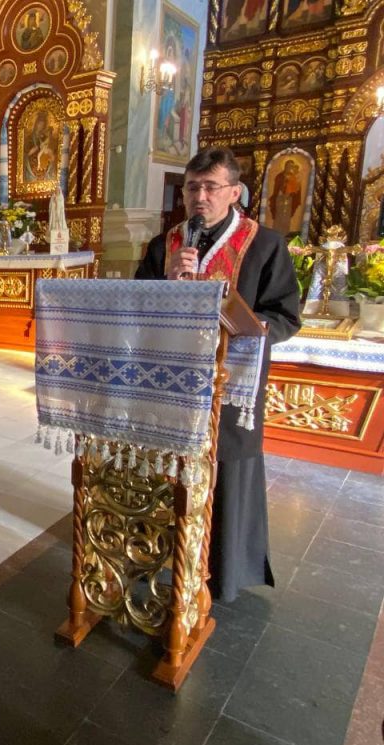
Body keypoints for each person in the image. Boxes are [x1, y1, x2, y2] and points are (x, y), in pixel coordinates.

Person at [135, 146, 301, 603]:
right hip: (173, 384)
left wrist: (248, 325)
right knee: (169, 470)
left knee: (225, 469)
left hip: (230, 384)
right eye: (192, 187)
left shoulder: (264, 244)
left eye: (211, 187)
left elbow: (286, 315)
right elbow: (138, 305)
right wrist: (165, 281)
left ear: (234, 191)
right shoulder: (166, 245)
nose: (200, 196)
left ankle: (222, 571)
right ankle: (162, 555)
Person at [270, 159, 303, 235]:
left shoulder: (293, 177)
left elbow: (296, 189)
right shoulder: (280, 176)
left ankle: (285, 233)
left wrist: (295, 188)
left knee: (286, 217)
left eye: (291, 166)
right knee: (279, 216)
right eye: (288, 166)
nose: (289, 168)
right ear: (285, 166)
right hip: (280, 199)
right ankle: (276, 232)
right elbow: (277, 188)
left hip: (289, 200)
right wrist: (285, 182)